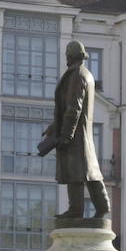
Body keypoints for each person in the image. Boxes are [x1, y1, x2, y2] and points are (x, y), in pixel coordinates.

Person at [38, 39, 110, 220]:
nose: (66, 59)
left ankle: (76, 209)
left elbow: (74, 108)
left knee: (76, 172)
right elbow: (70, 108)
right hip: (82, 132)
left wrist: (66, 135)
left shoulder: (77, 75)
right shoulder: (86, 74)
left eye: (66, 56)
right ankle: (102, 206)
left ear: (69, 56)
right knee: (89, 171)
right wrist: (54, 127)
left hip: (75, 133)